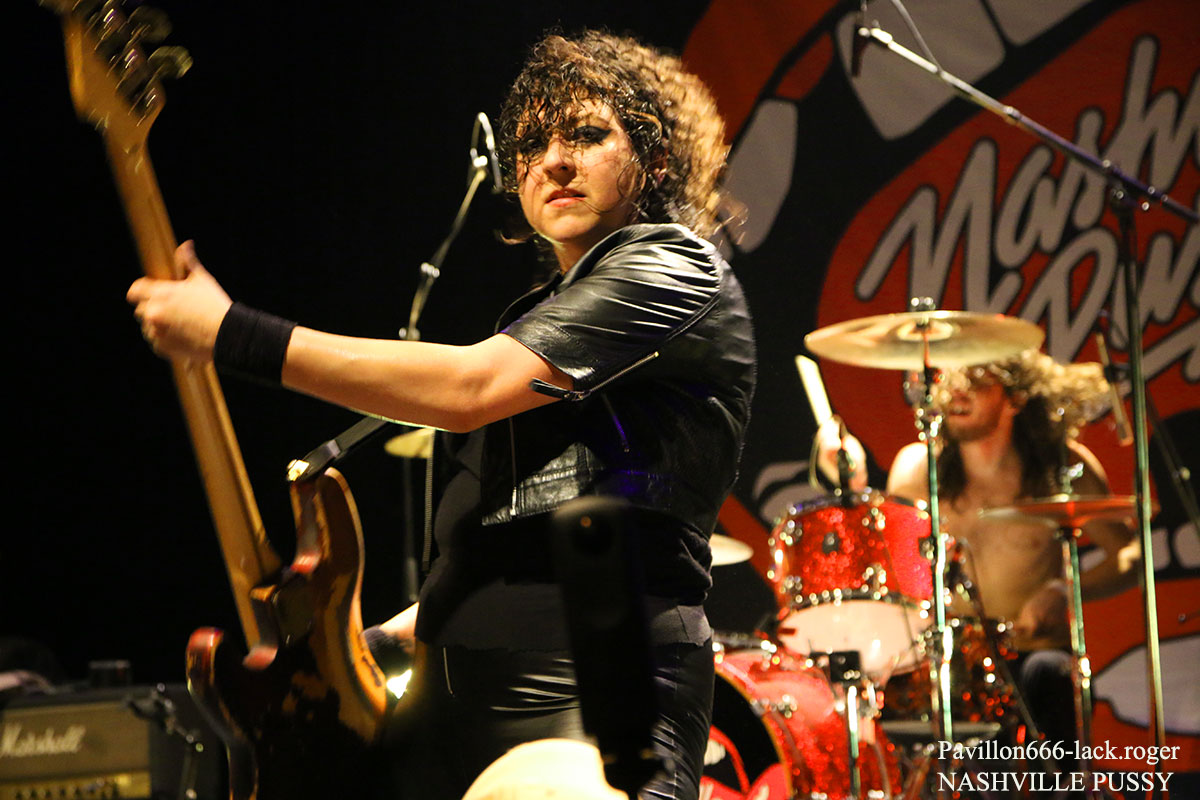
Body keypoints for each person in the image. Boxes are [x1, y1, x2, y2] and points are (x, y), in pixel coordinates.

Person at [128, 30, 756, 800]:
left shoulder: (676, 266)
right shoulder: (545, 318)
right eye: (532, 144)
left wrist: (234, 334)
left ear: (654, 160)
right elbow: (524, 533)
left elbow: (467, 390)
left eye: (588, 135)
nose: (554, 161)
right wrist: (380, 638)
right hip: (446, 710)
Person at [885, 350, 1138, 757]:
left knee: (1049, 676)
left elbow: (1130, 555)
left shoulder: (1060, 466)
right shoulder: (917, 468)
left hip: (1035, 653)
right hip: (954, 660)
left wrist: (1063, 591)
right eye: (952, 382)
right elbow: (891, 567)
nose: (958, 394)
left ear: (1015, 398)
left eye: (978, 383)